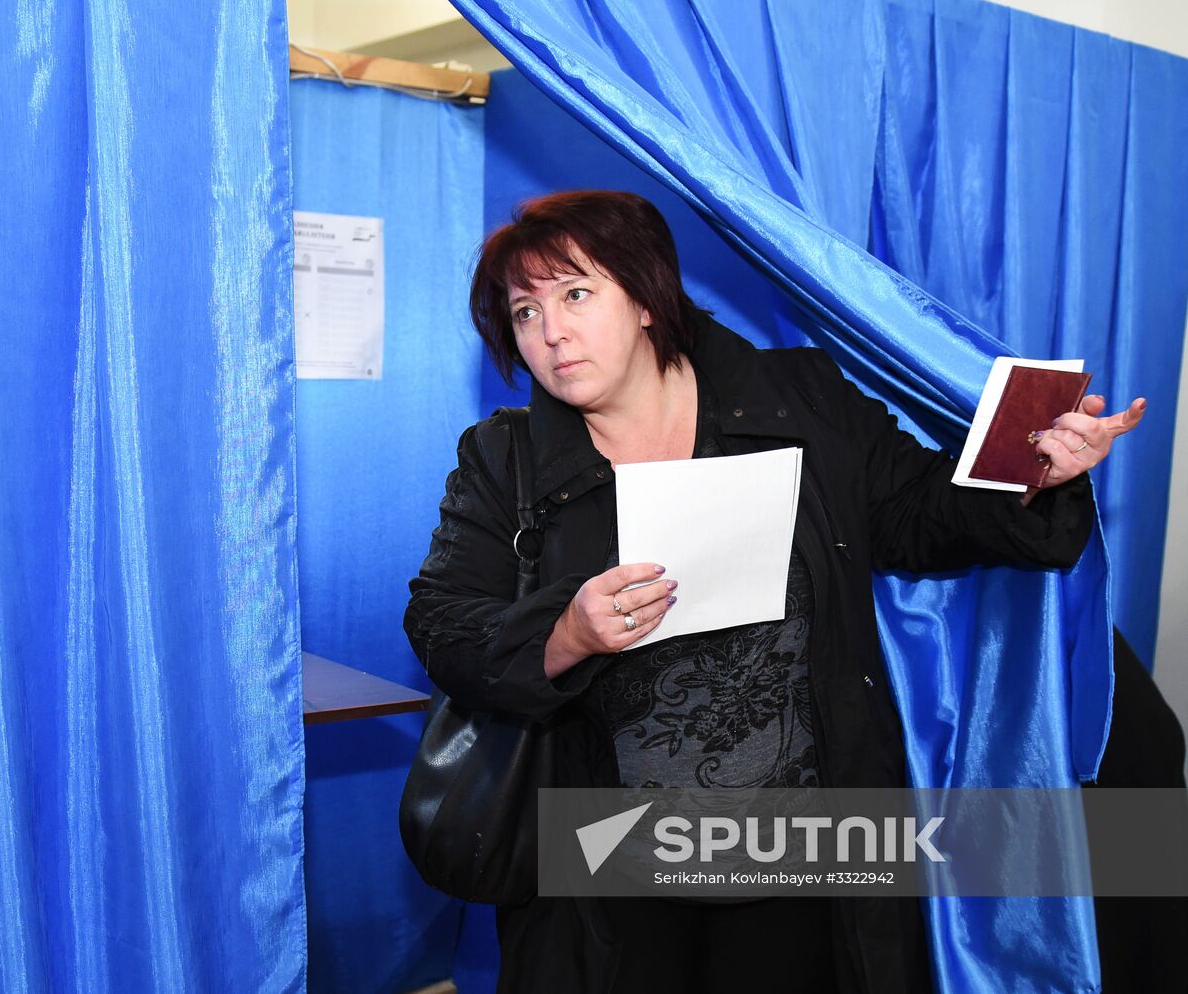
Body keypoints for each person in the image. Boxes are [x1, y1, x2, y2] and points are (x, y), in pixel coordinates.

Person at [402, 190, 1145, 993]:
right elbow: (442, 621)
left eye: (575, 293)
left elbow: (916, 511)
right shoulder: (502, 458)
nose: (551, 332)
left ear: (647, 298)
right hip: (607, 854)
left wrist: (1033, 471)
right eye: (523, 311)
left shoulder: (801, 400)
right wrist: (567, 633)